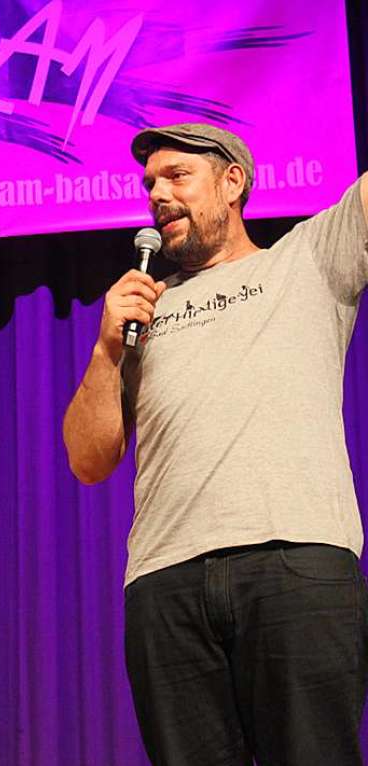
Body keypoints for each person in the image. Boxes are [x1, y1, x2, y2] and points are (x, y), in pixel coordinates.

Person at [63, 123, 368, 765]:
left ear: (233, 182)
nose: (157, 195)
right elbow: (88, 462)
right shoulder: (142, 314)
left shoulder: (309, 257)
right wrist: (105, 348)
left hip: (294, 561)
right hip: (165, 580)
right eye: (149, 184)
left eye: (177, 176)